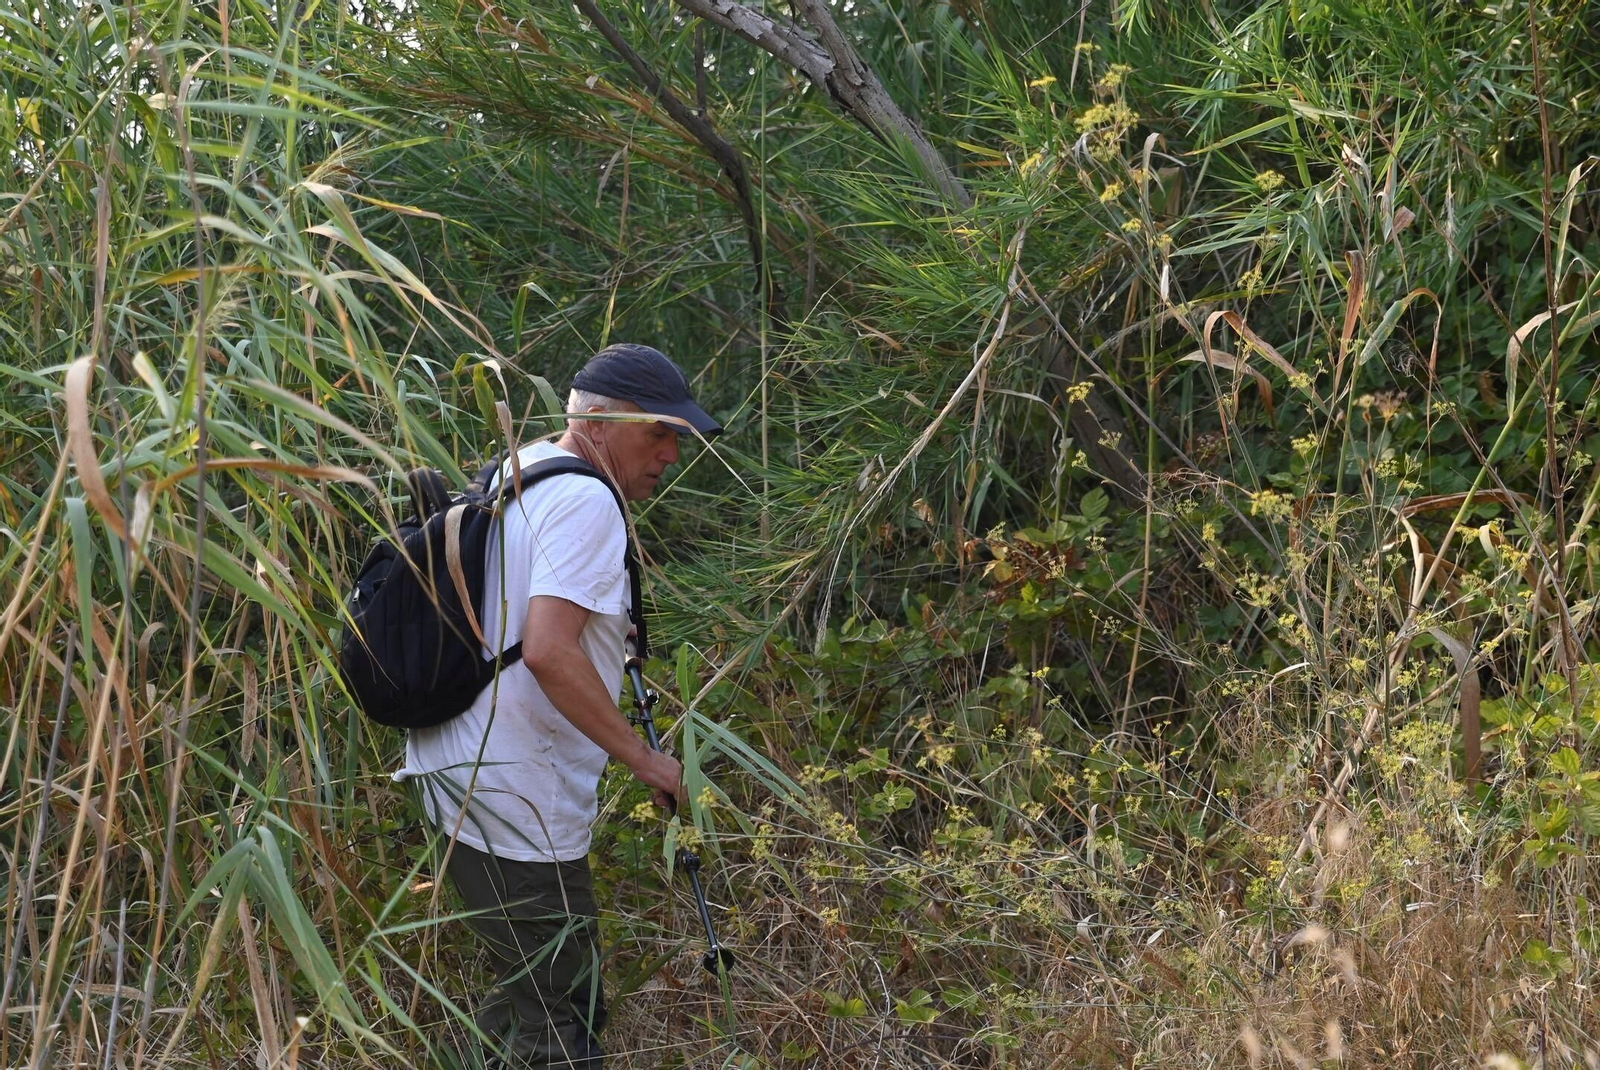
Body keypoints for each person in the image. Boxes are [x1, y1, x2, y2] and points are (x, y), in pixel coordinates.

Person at [397, 343, 722, 1069]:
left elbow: (523, 618)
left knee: (532, 999)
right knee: (561, 1023)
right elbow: (546, 650)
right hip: (516, 792)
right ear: (601, 422)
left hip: (464, 772)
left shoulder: (531, 469)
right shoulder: (586, 499)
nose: (671, 454)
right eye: (659, 433)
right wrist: (647, 761)